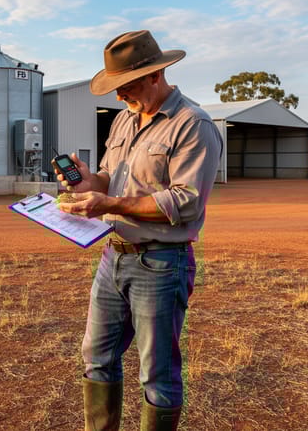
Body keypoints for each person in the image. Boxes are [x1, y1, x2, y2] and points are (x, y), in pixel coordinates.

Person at [56, 30, 222, 431]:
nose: (118, 97)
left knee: (158, 376)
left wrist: (109, 204)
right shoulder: (124, 121)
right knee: (96, 356)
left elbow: (185, 203)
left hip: (161, 264)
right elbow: (110, 179)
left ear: (154, 75)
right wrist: (85, 183)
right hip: (114, 256)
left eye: (125, 86)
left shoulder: (192, 124)